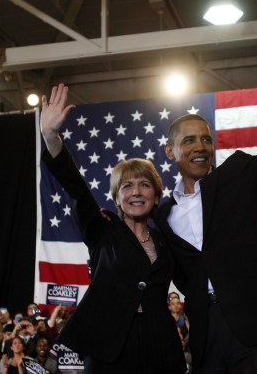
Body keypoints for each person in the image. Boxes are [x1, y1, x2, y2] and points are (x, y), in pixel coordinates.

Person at [155, 5, 257, 374]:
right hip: (207, 335)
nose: (200, 146)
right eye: (189, 140)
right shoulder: (162, 215)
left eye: (207, 139)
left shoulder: (239, 176)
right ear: (171, 151)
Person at [39, 83, 186, 373]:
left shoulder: (165, 239)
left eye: (145, 185)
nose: (136, 192)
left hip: (160, 345)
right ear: (117, 197)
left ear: (156, 195)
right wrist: (50, 135)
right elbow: (77, 188)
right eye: (127, 186)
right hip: (110, 347)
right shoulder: (103, 229)